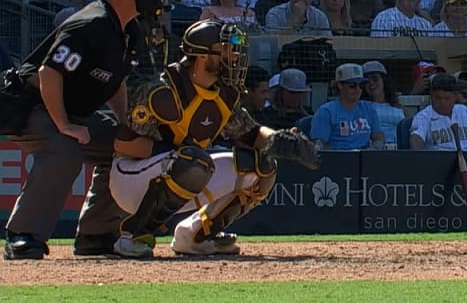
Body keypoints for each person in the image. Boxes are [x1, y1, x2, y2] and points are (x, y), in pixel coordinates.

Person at [108, 20, 319, 257]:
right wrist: (173, 154)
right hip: (130, 178)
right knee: (194, 161)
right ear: (201, 56)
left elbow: (251, 133)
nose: (233, 58)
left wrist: (281, 141)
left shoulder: (223, 94)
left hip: (187, 167)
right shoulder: (163, 92)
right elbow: (123, 142)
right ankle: (133, 235)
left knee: (261, 166)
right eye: (225, 51)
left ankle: (195, 235)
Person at [3, 0, 166, 260]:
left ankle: (98, 234)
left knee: (131, 147)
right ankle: (23, 235)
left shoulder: (130, 29)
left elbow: (115, 82)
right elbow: (48, 73)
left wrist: (124, 124)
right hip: (29, 106)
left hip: (72, 110)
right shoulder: (90, 23)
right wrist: (64, 124)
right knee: (64, 148)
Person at [408, 74, 467, 151]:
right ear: (431, 96)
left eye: (447, 98)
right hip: (440, 162)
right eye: (438, 98)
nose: (442, 102)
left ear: (455, 96)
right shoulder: (423, 116)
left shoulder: (465, 112)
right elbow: (416, 140)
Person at [310, 64, 385, 151]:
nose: (358, 90)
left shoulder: (368, 108)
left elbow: (379, 137)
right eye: (352, 85)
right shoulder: (326, 111)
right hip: (338, 161)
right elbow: (319, 144)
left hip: (365, 160)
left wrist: (373, 149)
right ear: (340, 85)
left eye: (361, 85)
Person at [360, 60, 405, 149]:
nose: (371, 83)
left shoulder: (398, 107)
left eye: (375, 78)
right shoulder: (361, 107)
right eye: (366, 81)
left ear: (384, 81)